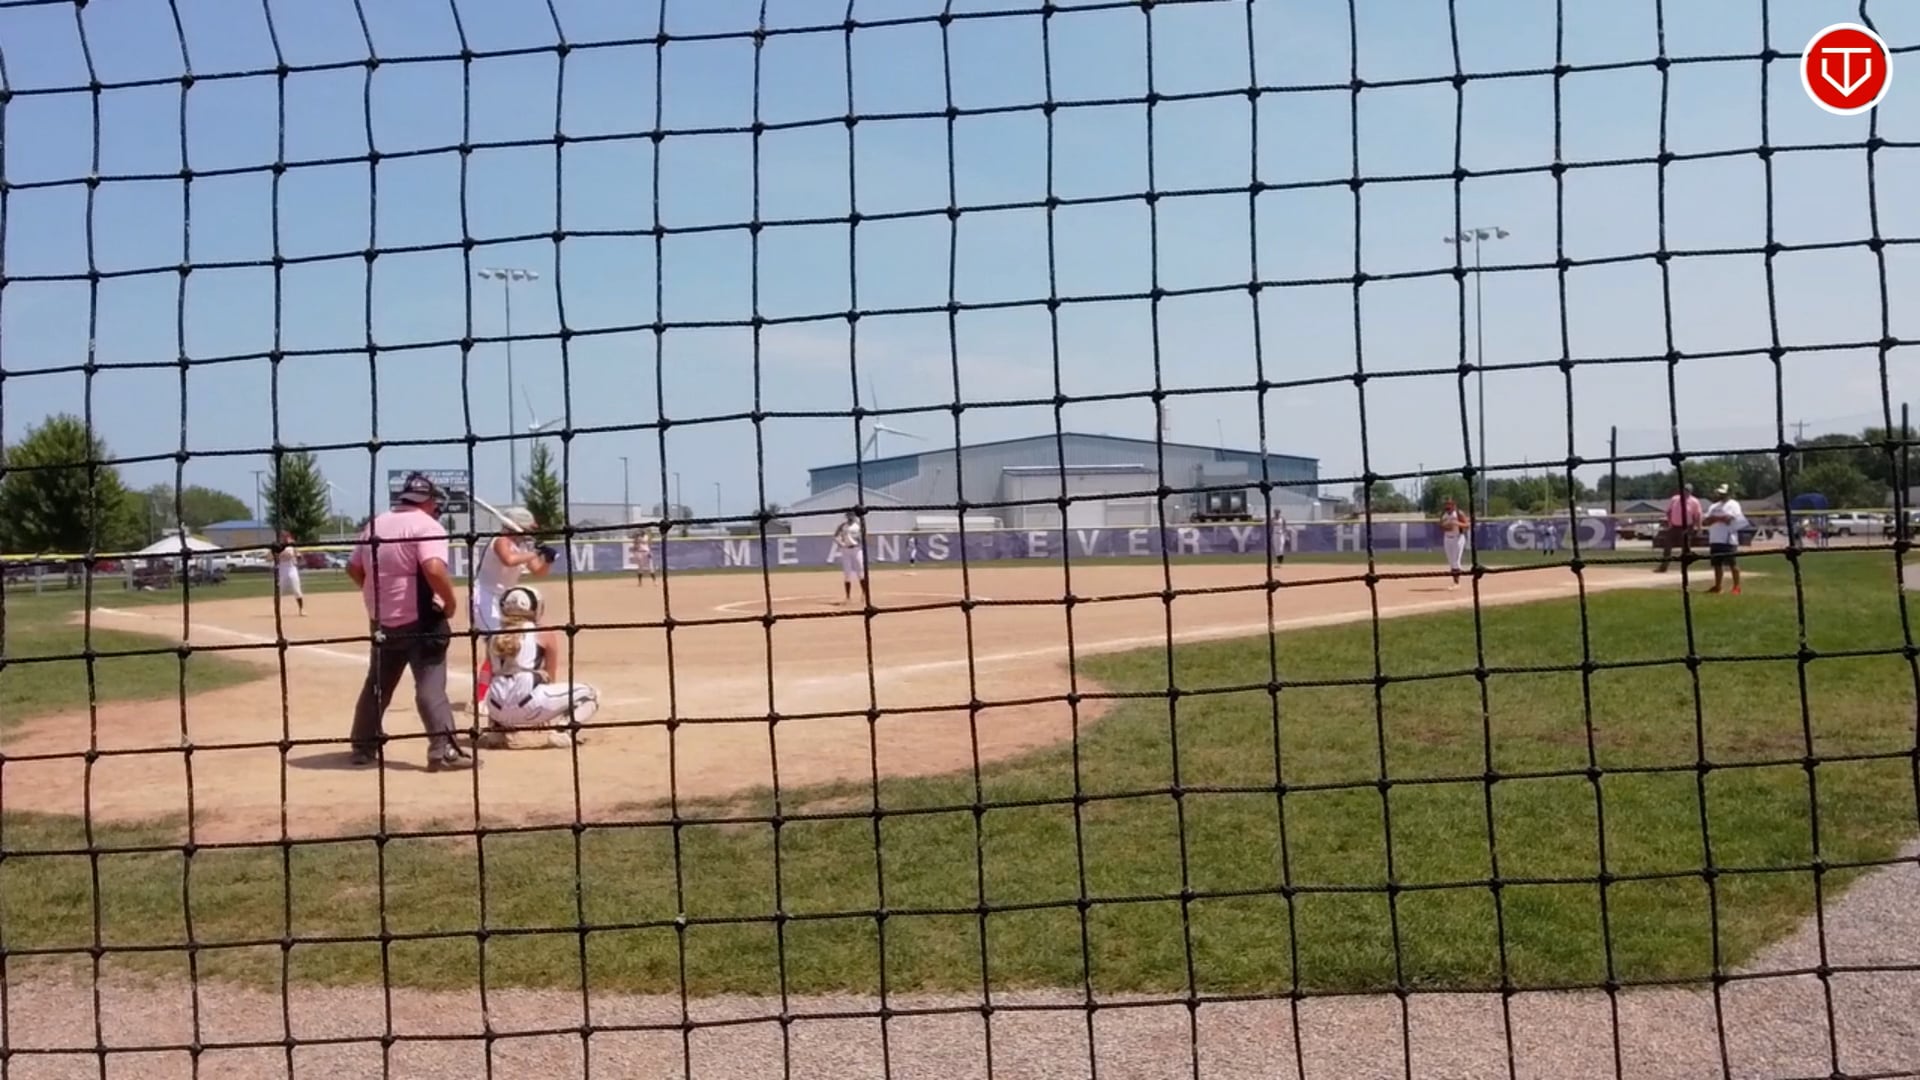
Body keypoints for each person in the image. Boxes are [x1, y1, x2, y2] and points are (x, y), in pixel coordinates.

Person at [345, 472, 473, 771]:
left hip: (382, 620)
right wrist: (450, 603)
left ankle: (363, 747)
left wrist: (375, 593)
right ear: (428, 501)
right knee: (430, 686)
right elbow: (434, 568)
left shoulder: (375, 523)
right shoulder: (427, 525)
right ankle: (443, 750)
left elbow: (353, 568)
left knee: (377, 685)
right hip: (422, 620)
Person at [481, 585, 599, 749]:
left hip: (496, 708)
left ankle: (496, 730)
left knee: (500, 683)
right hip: (531, 708)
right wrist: (545, 713)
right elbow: (550, 676)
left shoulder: (492, 635)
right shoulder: (543, 632)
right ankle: (563, 731)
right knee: (591, 694)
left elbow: (489, 674)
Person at [469, 507, 555, 705]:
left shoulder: (523, 546)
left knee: (506, 646)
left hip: (505, 602)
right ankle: (480, 699)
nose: (530, 531)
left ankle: (501, 692)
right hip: (484, 598)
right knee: (496, 646)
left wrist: (547, 559)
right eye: (528, 527)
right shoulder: (501, 541)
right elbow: (508, 560)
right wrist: (533, 553)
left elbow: (539, 572)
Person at [1703, 483, 1747, 595]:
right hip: (1715, 538)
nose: (1721, 495)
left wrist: (1715, 518)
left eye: (1723, 493)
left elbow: (1729, 519)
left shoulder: (1733, 504)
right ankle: (1718, 586)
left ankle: (1736, 586)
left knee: (1732, 564)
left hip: (1728, 539)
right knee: (1717, 565)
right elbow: (1706, 521)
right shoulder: (1713, 506)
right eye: (1720, 493)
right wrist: (1718, 519)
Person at [1657, 483, 1703, 572]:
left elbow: (1698, 515)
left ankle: (1684, 567)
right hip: (1674, 526)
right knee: (1667, 546)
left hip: (1687, 527)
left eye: (1687, 490)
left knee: (1685, 549)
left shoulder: (1694, 501)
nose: (1685, 492)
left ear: (1691, 491)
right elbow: (1668, 511)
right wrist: (1670, 522)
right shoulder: (1675, 499)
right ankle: (1663, 567)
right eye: (1684, 490)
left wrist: (1699, 528)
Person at [832, 510, 868, 605]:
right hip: (846, 550)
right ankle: (848, 597)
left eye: (852, 515)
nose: (850, 517)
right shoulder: (843, 526)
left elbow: (864, 536)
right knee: (847, 573)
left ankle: (864, 593)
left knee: (860, 572)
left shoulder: (858, 526)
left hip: (856, 549)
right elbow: (836, 535)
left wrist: (862, 540)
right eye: (848, 515)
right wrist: (840, 543)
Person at [1438, 498, 1470, 589]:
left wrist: (1457, 523)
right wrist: (1446, 526)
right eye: (1446, 504)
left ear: (1454, 505)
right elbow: (1440, 526)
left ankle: (1457, 583)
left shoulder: (1459, 513)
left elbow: (1467, 525)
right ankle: (1455, 580)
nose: (1447, 506)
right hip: (1447, 538)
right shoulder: (1443, 514)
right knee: (1451, 561)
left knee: (1456, 560)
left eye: (1450, 504)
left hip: (1458, 538)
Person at [274, 530, 305, 617]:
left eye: (286, 536)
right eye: (282, 536)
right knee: (279, 591)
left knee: (297, 590)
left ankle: (301, 609)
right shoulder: (278, 546)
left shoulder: (292, 546)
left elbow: (299, 556)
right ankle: (277, 610)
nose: (284, 538)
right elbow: (271, 557)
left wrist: (299, 556)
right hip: (282, 569)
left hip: (292, 568)